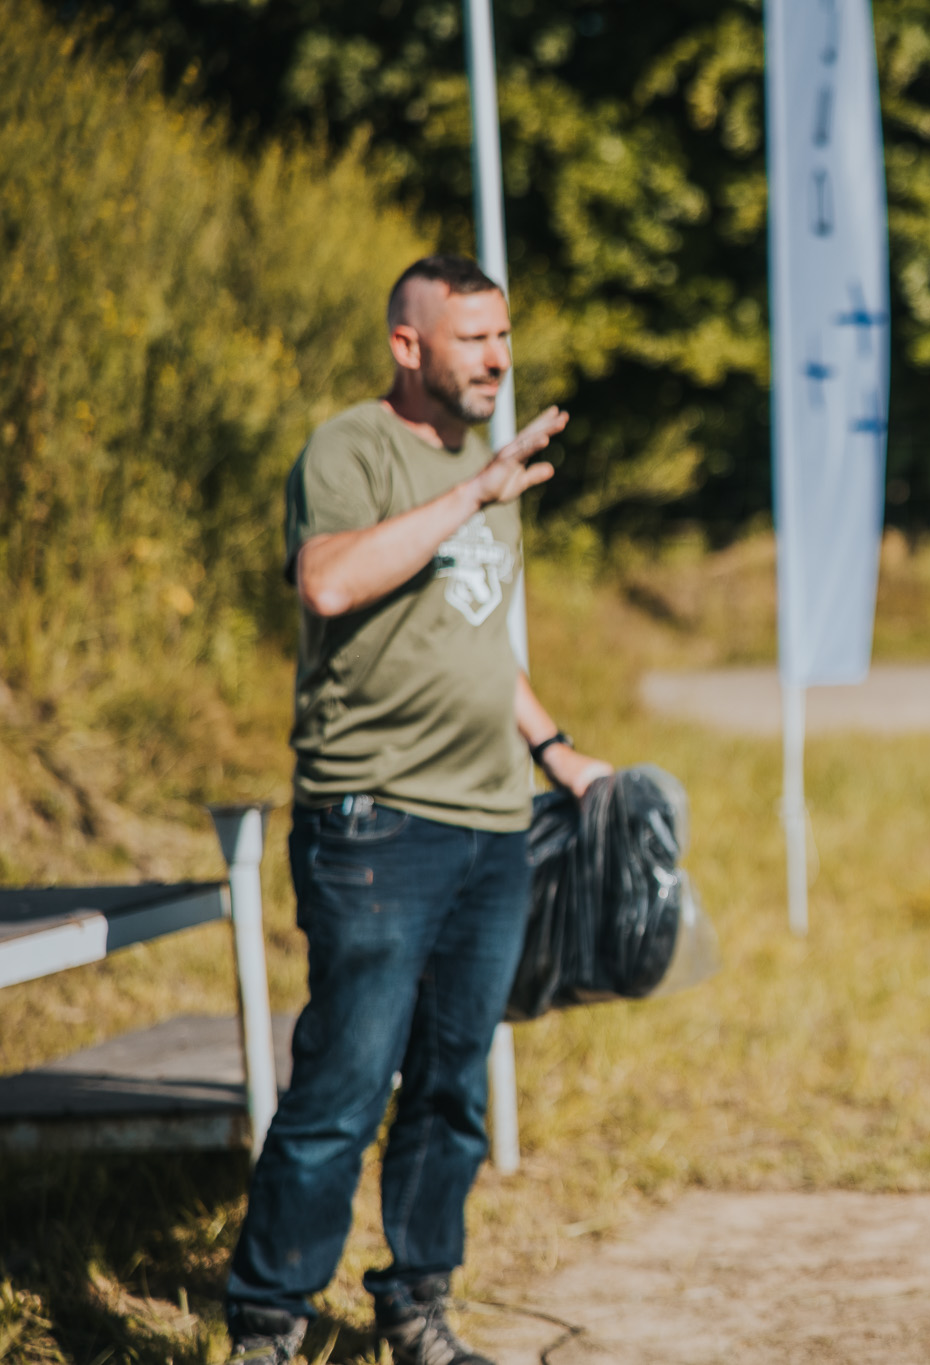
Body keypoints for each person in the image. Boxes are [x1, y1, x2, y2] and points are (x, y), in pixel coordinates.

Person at [225, 255, 612, 1365]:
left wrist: (556, 752)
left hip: (493, 825)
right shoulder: (352, 448)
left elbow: (478, 640)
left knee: (451, 1087)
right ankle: (269, 1321)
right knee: (345, 1083)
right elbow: (329, 582)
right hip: (375, 823)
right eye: (472, 338)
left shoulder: (488, 469)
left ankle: (415, 1305)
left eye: (503, 336)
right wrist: (470, 496)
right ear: (409, 347)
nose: (496, 356)